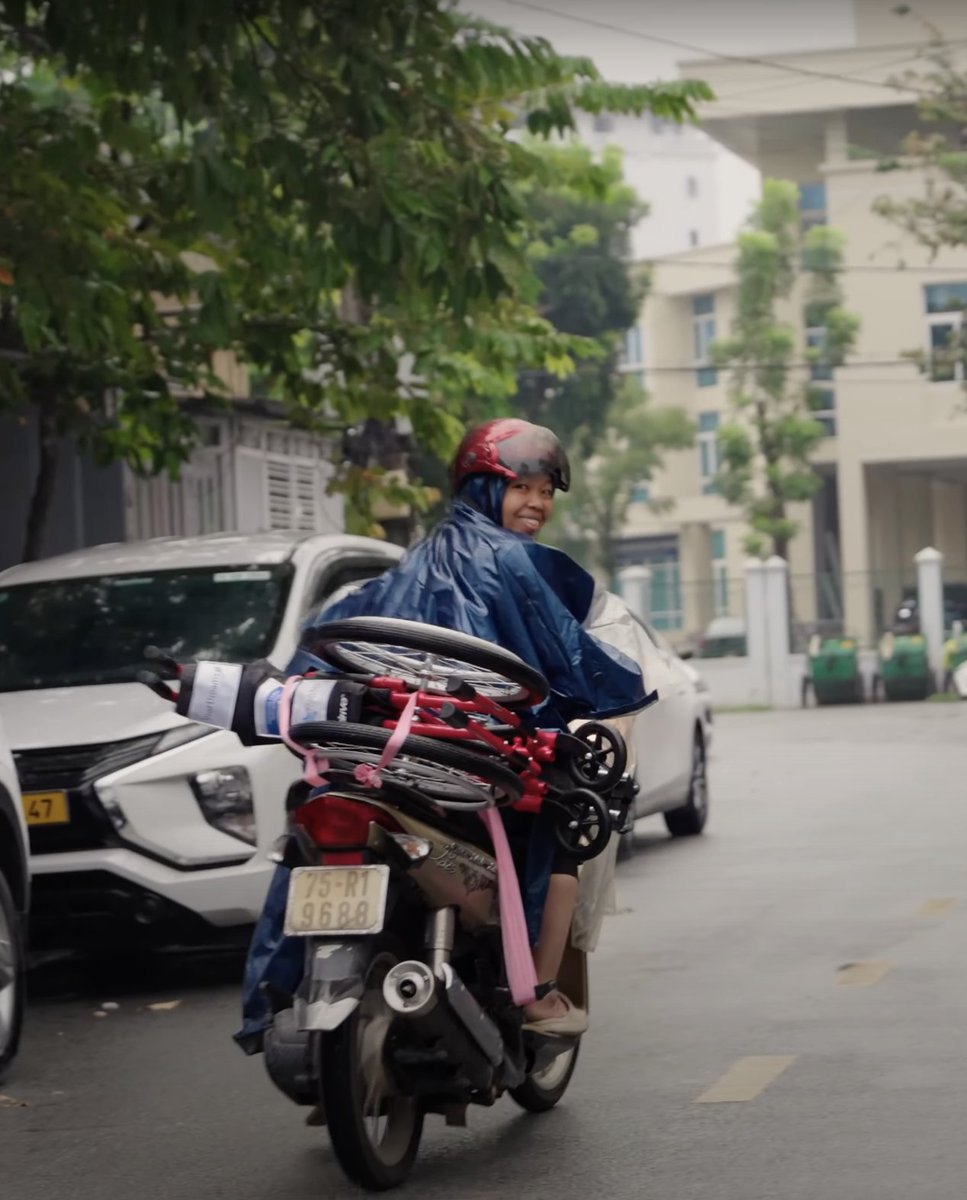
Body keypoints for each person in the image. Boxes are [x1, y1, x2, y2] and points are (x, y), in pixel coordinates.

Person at [280, 417, 652, 1037]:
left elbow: (325, 644)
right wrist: (623, 681)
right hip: (470, 759)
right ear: (483, 487)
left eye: (546, 493)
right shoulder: (514, 562)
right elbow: (569, 655)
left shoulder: (411, 563)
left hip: (387, 755)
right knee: (569, 817)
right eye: (522, 487)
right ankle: (535, 993)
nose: (536, 504)